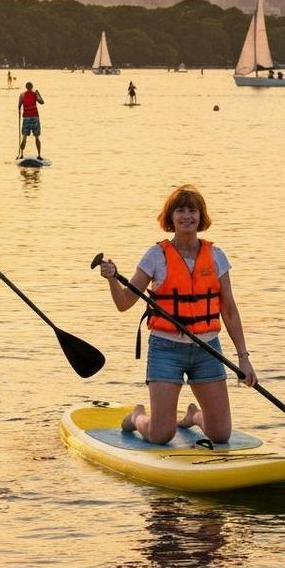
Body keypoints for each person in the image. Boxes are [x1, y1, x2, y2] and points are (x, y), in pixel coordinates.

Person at [96, 185, 257, 444]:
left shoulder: (216, 256)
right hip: (166, 349)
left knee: (220, 434)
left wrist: (244, 359)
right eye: (180, 210)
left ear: (200, 216)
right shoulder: (155, 255)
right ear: (170, 218)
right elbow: (124, 303)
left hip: (208, 349)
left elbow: (229, 310)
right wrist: (113, 280)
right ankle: (137, 417)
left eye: (192, 210)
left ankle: (193, 416)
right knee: (161, 435)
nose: (186, 216)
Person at [17, 81, 45, 158]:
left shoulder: (22, 95)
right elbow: (42, 102)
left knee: (24, 137)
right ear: (32, 87)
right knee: (37, 137)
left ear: (26, 87)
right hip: (35, 118)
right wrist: (38, 93)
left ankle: (21, 155)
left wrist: (20, 112)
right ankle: (39, 155)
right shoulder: (35, 94)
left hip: (26, 118)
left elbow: (19, 106)